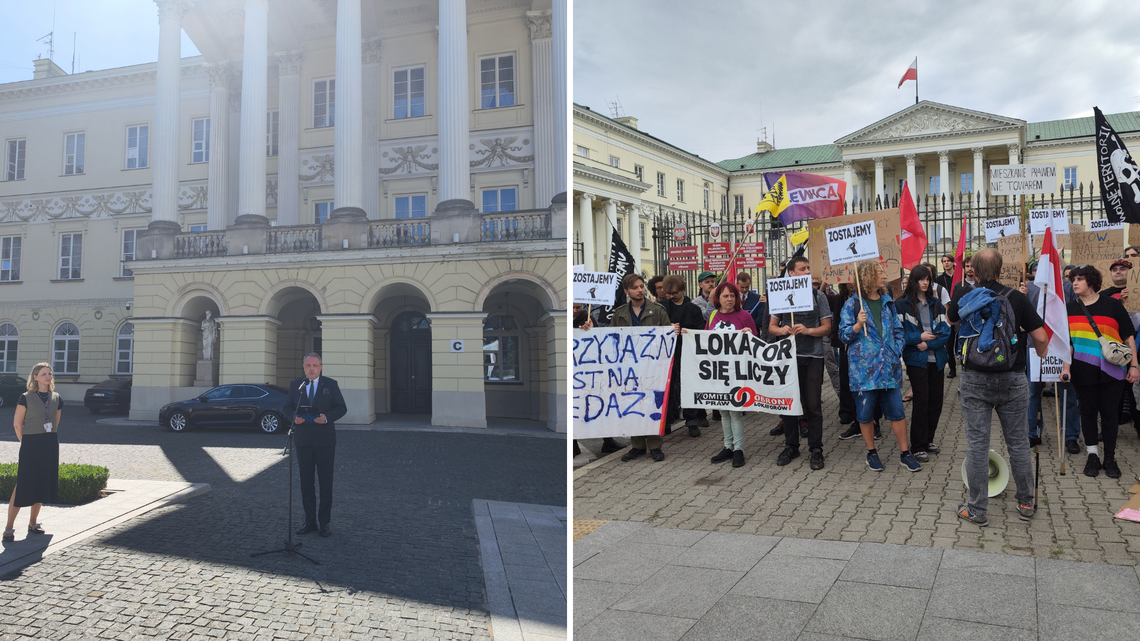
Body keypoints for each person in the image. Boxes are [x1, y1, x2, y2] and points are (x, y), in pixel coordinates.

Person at [947, 248, 1048, 526]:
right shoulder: (1017, 298)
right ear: (1002, 270)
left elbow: (952, 320)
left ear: (973, 272)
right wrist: (1041, 353)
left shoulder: (963, 294)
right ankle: (1026, 501)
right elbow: (1040, 336)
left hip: (974, 379)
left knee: (977, 445)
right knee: (1017, 442)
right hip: (1012, 378)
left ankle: (977, 510)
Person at [839, 260, 920, 473]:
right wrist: (857, 325)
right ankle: (871, 452)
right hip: (864, 372)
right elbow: (843, 335)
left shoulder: (888, 302)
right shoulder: (852, 304)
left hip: (888, 369)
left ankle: (905, 453)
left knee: (897, 411)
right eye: (881, 273)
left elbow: (898, 330)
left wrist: (896, 349)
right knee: (865, 414)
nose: (885, 276)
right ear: (868, 277)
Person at [1062, 265, 1139, 478]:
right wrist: (1066, 367)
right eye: (1073, 279)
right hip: (1082, 369)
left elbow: (1128, 337)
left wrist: (1134, 365)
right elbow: (1068, 342)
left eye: (1080, 279)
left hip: (1113, 370)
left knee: (1109, 415)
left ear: (1092, 282)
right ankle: (1092, 456)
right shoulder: (1069, 308)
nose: (1074, 282)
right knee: (1087, 413)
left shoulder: (1113, 305)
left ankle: (1110, 458)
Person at [769, 256, 832, 470]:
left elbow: (827, 327)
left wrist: (808, 330)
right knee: (789, 404)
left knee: (813, 405)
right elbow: (772, 327)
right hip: (789, 356)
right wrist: (783, 330)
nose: (807, 271)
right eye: (802, 269)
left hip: (813, 356)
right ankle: (791, 446)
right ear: (792, 273)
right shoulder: (780, 293)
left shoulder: (818, 296)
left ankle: (816, 449)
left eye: (808, 268)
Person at [283, 353, 348, 537]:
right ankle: (309, 520)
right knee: (306, 483)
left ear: (321, 367)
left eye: (315, 365)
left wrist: (326, 418)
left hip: (325, 441)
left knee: (325, 483)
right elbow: (287, 407)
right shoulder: (297, 385)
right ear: (303, 367)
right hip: (303, 441)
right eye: (308, 365)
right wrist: (293, 418)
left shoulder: (330, 384)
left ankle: (324, 523)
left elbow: (341, 408)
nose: (311, 368)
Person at [609, 273, 672, 462]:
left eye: (641, 286)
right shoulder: (619, 314)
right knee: (632, 404)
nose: (640, 290)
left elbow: (667, 339)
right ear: (626, 291)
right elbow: (611, 339)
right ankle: (636, 445)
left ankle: (655, 446)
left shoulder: (657, 310)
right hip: (628, 369)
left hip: (652, 367)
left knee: (652, 404)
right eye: (635, 287)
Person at [895, 264, 951, 462]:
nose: (925, 282)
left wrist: (929, 345)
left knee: (936, 401)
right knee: (921, 400)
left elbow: (946, 331)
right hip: (916, 360)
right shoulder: (902, 304)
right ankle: (917, 446)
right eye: (922, 279)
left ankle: (928, 440)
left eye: (928, 278)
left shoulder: (936, 303)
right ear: (914, 281)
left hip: (936, 358)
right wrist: (918, 336)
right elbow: (899, 333)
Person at [703, 280, 758, 467]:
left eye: (732, 296)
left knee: (735, 411)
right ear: (718, 298)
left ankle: (738, 449)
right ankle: (727, 446)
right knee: (723, 411)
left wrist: (749, 333)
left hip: (737, 371)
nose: (729, 299)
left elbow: (755, 341)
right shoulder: (712, 317)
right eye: (725, 296)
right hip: (718, 371)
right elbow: (704, 341)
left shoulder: (744, 315)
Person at [4, 363, 61, 543]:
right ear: (35, 377)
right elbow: (17, 424)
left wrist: (45, 440)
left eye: (49, 374)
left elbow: (55, 423)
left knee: (42, 481)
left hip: (49, 443)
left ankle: (33, 523)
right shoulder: (25, 397)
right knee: (23, 484)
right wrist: (26, 443)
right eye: (43, 374)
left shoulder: (57, 398)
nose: (47, 376)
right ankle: (9, 527)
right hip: (30, 444)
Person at [1024, 276, 1082, 453]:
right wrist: (1023, 295)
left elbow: (1073, 310)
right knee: (1033, 391)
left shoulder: (1067, 287)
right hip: (1035, 347)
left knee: (1067, 391)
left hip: (1061, 345)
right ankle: (1033, 432)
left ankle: (1071, 436)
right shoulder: (1029, 287)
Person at [660, 274, 706, 437]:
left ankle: (691, 419)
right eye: (669, 293)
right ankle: (666, 420)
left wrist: (688, 332)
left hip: (687, 352)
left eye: (674, 293)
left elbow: (701, 332)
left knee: (688, 385)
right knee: (667, 387)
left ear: (682, 290)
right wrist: (668, 328)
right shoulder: (663, 307)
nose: (671, 296)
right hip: (667, 353)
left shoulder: (693, 309)